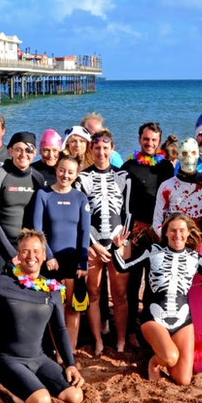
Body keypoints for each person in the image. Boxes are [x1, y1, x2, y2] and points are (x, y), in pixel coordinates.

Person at [113, 213, 202, 385]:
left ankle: (164, 356)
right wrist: (116, 248)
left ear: (188, 233)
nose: (178, 235)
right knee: (170, 357)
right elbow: (122, 267)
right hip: (154, 319)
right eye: (173, 230)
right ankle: (153, 362)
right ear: (165, 232)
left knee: (183, 380)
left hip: (183, 322)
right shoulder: (152, 252)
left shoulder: (195, 258)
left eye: (182, 230)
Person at [0, 229, 85, 403]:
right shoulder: (3, 283)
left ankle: (30, 383)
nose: (31, 256)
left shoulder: (52, 290)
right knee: (42, 402)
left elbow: (60, 330)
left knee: (75, 396)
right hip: (8, 361)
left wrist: (70, 364)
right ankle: (5, 387)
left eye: (36, 251)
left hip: (38, 358)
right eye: (25, 251)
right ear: (18, 255)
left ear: (43, 255)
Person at [77, 130, 131, 353]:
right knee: (94, 294)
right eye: (97, 148)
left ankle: (121, 340)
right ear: (92, 149)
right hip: (93, 243)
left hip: (119, 241)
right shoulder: (82, 178)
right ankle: (98, 340)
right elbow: (81, 217)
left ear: (112, 149)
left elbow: (128, 212)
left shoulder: (124, 177)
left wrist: (121, 241)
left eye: (105, 148)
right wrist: (93, 244)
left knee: (119, 294)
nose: (101, 152)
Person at [121, 122, 175, 344]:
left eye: (154, 139)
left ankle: (152, 328)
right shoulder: (129, 166)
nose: (150, 143)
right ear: (139, 139)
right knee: (132, 284)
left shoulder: (166, 168)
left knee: (155, 284)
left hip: (159, 233)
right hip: (135, 232)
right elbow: (123, 203)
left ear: (159, 140)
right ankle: (131, 332)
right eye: (146, 139)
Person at [32, 153, 91, 350]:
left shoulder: (80, 198)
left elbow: (84, 231)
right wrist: (48, 255)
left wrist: (83, 261)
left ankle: (70, 352)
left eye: (70, 172)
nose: (65, 175)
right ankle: (58, 350)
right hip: (52, 261)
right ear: (56, 170)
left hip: (74, 261)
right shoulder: (44, 194)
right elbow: (37, 230)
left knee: (73, 309)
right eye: (62, 170)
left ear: (76, 175)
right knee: (57, 308)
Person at [0, 131, 45, 280]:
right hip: (0, 246)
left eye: (29, 150)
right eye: (18, 149)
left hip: (27, 249)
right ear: (10, 151)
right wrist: (11, 253)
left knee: (26, 293)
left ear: (35, 152)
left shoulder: (37, 178)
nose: (24, 154)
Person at [153, 137, 202, 237]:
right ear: (178, 156)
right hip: (176, 244)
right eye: (184, 153)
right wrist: (169, 240)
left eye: (193, 153)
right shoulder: (167, 186)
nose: (188, 157)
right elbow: (157, 221)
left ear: (198, 155)